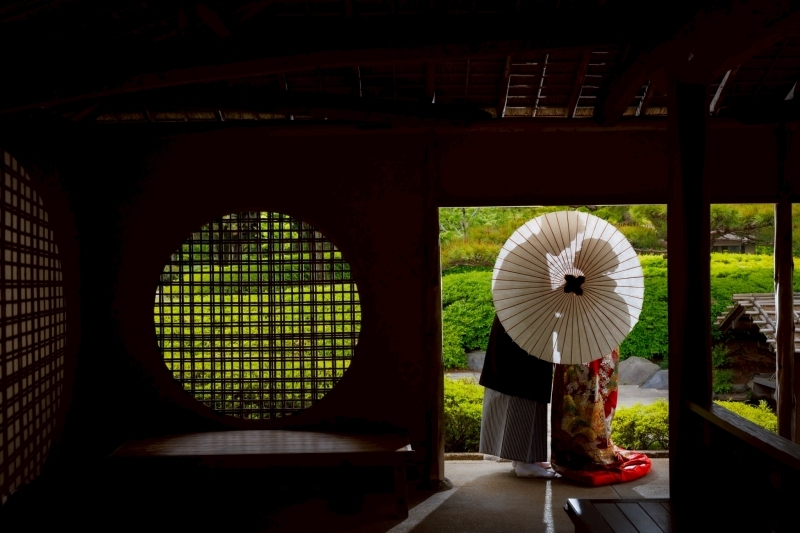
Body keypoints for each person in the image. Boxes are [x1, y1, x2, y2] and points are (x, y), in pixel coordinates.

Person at [550, 348, 651, 486]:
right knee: (575, 387)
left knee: (597, 388)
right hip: (574, 345)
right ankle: (576, 449)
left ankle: (591, 447)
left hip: (593, 345)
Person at [478, 315, 556, 478]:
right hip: (525, 333)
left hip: (523, 328)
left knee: (524, 391)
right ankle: (524, 462)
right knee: (523, 391)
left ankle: (525, 457)